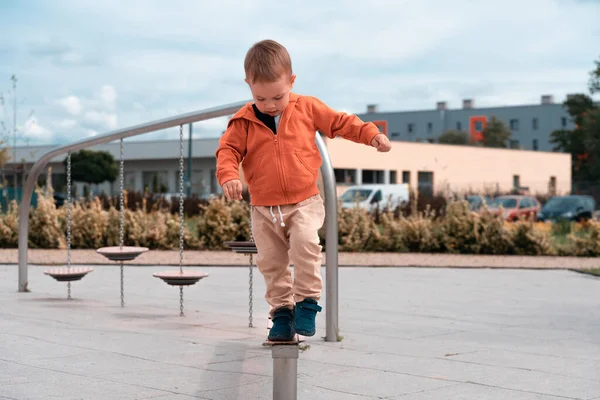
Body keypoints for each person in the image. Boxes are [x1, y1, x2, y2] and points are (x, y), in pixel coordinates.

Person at [215, 39, 391, 341]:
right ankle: (282, 314)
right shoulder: (242, 121)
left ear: (291, 81)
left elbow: (340, 122)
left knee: (305, 244)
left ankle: (307, 302)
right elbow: (227, 151)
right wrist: (229, 175)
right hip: (263, 207)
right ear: (248, 85)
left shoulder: (307, 107)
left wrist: (371, 134)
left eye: (277, 97)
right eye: (261, 98)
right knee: (271, 262)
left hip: (304, 201)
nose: (270, 105)